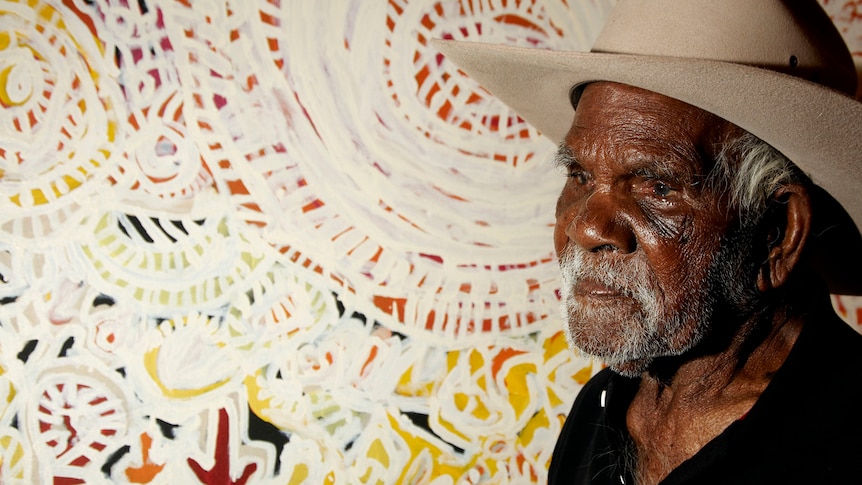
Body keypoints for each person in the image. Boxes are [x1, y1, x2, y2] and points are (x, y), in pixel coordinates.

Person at [434, 0, 862, 483]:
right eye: (578, 175)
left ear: (778, 233)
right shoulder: (604, 406)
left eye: (657, 187)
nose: (586, 229)